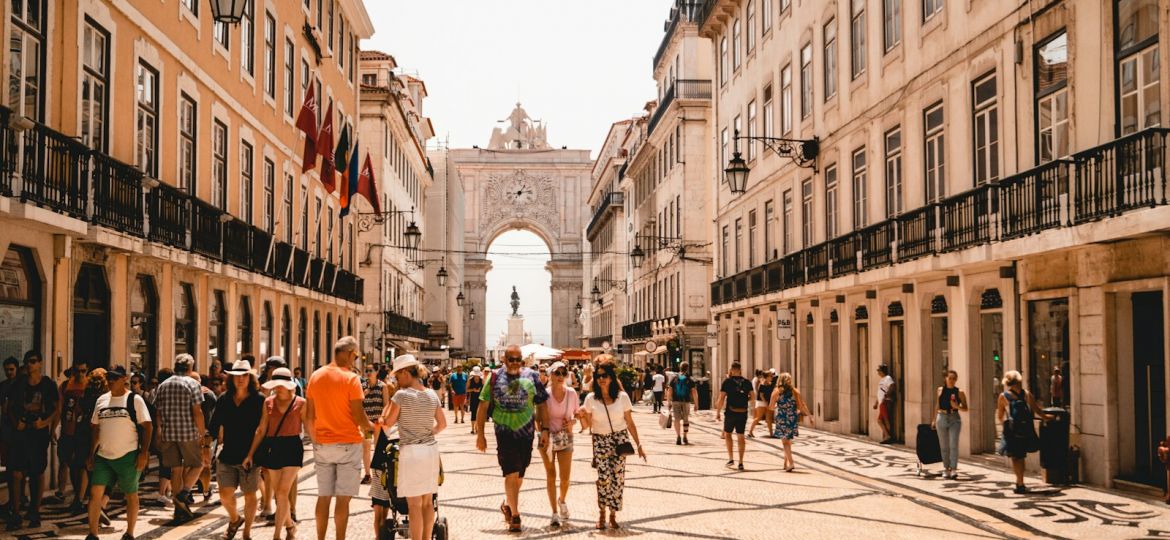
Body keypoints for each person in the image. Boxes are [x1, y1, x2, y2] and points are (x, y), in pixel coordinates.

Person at [475, 344, 549, 533]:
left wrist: (546, 430)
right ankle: (515, 516)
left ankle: (509, 504)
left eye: (518, 359)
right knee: (511, 473)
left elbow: (541, 404)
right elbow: (483, 406)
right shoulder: (494, 377)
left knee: (520, 474)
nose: (515, 363)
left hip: (526, 434)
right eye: (511, 359)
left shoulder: (532, 376)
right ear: (504, 360)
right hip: (504, 433)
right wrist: (480, 435)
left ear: (522, 361)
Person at [305, 337, 374, 540]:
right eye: (355, 356)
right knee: (342, 500)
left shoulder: (315, 376)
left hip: (323, 445)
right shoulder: (351, 379)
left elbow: (308, 415)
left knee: (323, 496)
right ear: (348, 353)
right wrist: (373, 427)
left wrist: (315, 438)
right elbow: (358, 416)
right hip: (347, 444)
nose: (355, 360)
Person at [380, 355, 445, 540]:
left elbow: (388, 423)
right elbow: (442, 424)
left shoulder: (401, 395)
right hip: (430, 451)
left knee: (414, 505)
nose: (396, 381)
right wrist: (426, 433)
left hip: (411, 453)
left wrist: (382, 418)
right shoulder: (432, 394)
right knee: (427, 502)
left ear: (406, 373)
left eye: (397, 377)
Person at [83, 365, 152, 540]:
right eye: (109, 378)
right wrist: (91, 453)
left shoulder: (134, 400)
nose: (111, 381)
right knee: (94, 493)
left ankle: (129, 533)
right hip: (103, 455)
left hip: (128, 455)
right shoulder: (101, 400)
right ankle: (92, 534)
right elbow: (95, 429)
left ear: (124, 379)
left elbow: (147, 427)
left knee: (130, 495)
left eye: (115, 377)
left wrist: (144, 453)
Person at [579, 360, 646, 530]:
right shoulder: (591, 399)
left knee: (618, 479)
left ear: (611, 378)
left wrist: (639, 445)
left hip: (620, 440)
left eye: (605, 376)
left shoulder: (622, 397)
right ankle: (601, 513)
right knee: (604, 479)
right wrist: (581, 416)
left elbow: (630, 422)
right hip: (600, 440)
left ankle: (613, 515)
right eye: (598, 376)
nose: (601, 379)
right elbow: (587, 426)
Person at [246, 367, 307, 540]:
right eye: (275, 385)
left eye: (281, 385)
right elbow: (261, 428)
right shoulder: (268, 402)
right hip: (273, 447)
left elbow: (309, 426)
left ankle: (276, 535)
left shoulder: (301, 402)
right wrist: (250, 453)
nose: (277, 388)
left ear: (289, 385)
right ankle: (289, 526)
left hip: (292, 446)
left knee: (281, 492)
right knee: (280, 494)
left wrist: (320, 446)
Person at [211, 360, 265, 540]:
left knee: (250, 495)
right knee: (225, 495)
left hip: (251, 456)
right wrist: (205, 447)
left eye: (244, 375)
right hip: (228, 454)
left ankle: (247, 533)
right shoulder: (224, 399)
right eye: (236, 376)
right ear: (231, 378)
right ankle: (235, 519)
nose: (240, 379)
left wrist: (255, 454)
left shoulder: (259, 400)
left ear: (250, 378)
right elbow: (214, 425)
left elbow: (263, 430)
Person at [5, 351, 58, 530]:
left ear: (40, 363)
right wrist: (15, 422)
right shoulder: (19, 384)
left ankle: (35, 510)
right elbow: (9, 407)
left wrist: (45, 423)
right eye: (27, 362)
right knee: (16, 473)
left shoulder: (48, 385)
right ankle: (16, 512)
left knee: (37, 472)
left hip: (38, 433)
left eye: (33, 362)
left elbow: (56, 408)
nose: (30, 365)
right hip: (20, 432)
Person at [153, 353, 206, 523]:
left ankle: (178, 509)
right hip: (188, 432)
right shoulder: (192, 384)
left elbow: (158, 412)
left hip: (169, 434)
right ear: (190, 368)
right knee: (198, 464)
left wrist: (159, 431)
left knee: (175, 469)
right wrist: (202, 433)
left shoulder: (163, 385)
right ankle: (183, 494)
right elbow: (197, 411)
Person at [996, 370, 1053, 494]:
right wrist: (1048, 417)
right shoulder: (1026, 394)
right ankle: (1020, 481)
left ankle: (1020, 482)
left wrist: (1004, 426)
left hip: (1011, 431)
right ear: (1019, 381)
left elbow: (1000, 415)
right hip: (1025, 429)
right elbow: (1037, 410)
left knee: (1016, 457)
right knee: (1021, 456)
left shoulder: (1003, 396)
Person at [538, 362, 578, 527]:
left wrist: (573, 422)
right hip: (547, 438)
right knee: (551, 475)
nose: (561, 376)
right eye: (557, 373)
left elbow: (577, 414)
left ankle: (562, 500)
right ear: (550, 375)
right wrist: (543, 431)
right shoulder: (544, 395)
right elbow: (537, 418)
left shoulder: (572, 394)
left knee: (565, 478)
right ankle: (554, 512)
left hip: (565, 437)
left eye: (563, 373)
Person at [57, 360, 91, 514]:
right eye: (77, 370)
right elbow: (59, 407)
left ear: (87, 370)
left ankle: (79, 498)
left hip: (84, 432)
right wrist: (54, 428)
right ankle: (77, 494)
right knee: (70, 463)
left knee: (82, 464)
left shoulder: (90, 386)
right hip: (68, 430)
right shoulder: (65, 386)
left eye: (83, 370)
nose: (80, 374)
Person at [768, 372, 811, 472]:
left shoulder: (776, 391)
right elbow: (800, 407)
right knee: (787, 441)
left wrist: (779, 407)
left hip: (782, 418)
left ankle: (791, 463)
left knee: (785, 442)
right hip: (792, 418)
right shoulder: (795, 391)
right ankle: (785, 462)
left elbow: (770, 407)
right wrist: (792, 410)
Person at [714, 362, 754, 471]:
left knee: (728, 434)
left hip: (731, 412)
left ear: (731, 370)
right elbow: (753, 397)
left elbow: (721, 398)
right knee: (741, 436)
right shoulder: (747, 382)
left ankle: (731, 458)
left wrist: (717, 412)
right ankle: (741, 462)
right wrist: (746, 401)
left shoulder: (727, 382)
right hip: (743, 412)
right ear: (740, 370)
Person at [933, 370, 969, 480]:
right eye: (950, 378)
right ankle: (946, 468)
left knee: (953, 444)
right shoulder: (940, 390)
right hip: (941, 417)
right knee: (944, 446)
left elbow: (966, 408)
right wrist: (934, 419)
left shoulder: (959, 392)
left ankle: (953, 469)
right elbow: (937, 405)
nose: (952, 380)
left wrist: (956, 406)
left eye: (954, 378)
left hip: (954, 418)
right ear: (946, 379)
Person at [190, 372, 218, 503]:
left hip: (192, 435)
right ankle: (205, 490)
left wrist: (207, 442)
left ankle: (192, 490)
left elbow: (210, 419)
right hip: (200, 435)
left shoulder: (206, 395)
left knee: (196, 465)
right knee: (204, 465)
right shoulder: (209, 394)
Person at [361, 364, 390, 485]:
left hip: (378, 423)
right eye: (367, 370)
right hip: (366, 424)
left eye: (371, 370)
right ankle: (367, 475)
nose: (368, 372)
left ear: (376, 372)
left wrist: (382, 418)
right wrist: (364, 394)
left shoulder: (382, 386)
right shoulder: (362, 386)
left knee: (378, 448)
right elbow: (357, 404)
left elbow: (386, 404)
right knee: (366, 448)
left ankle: (377, 474)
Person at [666, 362, 698, 445]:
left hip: (675, 401)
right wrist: (696, 404)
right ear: (687, 369)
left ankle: (678, 436)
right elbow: (694, 392)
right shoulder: (689, 379)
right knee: (686, 419)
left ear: (680, 368)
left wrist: (668, 402)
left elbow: (669, 390)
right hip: (686, 401)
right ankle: (685, 436)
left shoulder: (674, 378)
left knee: (676, 419)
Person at [748, 370, 775, 438]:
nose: (772, 377)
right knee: (758, 417)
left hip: (767, 402)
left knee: (769, 418)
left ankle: (771, 434)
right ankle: (750, 432)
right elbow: (761, 395)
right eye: (770, 376)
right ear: (767, 377)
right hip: (761, 402)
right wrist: (765, 403)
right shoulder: (762, 384)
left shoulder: (770, 384)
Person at [874, 365, 897, 444]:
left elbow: (892, 386)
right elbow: (879, 392)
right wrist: (876, 402)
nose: (878, 373)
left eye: (879, 371)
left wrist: (886, 395)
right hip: (881, 402)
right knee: (880, 420)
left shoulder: (888, 378)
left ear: (882, 371)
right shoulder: (882, 380)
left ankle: (889, 437)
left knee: (886, 420)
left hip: (885, 402)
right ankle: (887, 436)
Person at [467, 367, 484, 434]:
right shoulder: (470, 380)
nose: (476, 376)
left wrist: (480, 391)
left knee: (479, 414)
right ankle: (472, 428)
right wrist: (473, 390)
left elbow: (485, 389)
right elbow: (466, 390)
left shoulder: (482, 380)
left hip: (480, 399)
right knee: (473, 414)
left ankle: (477, 427)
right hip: (473, 398)